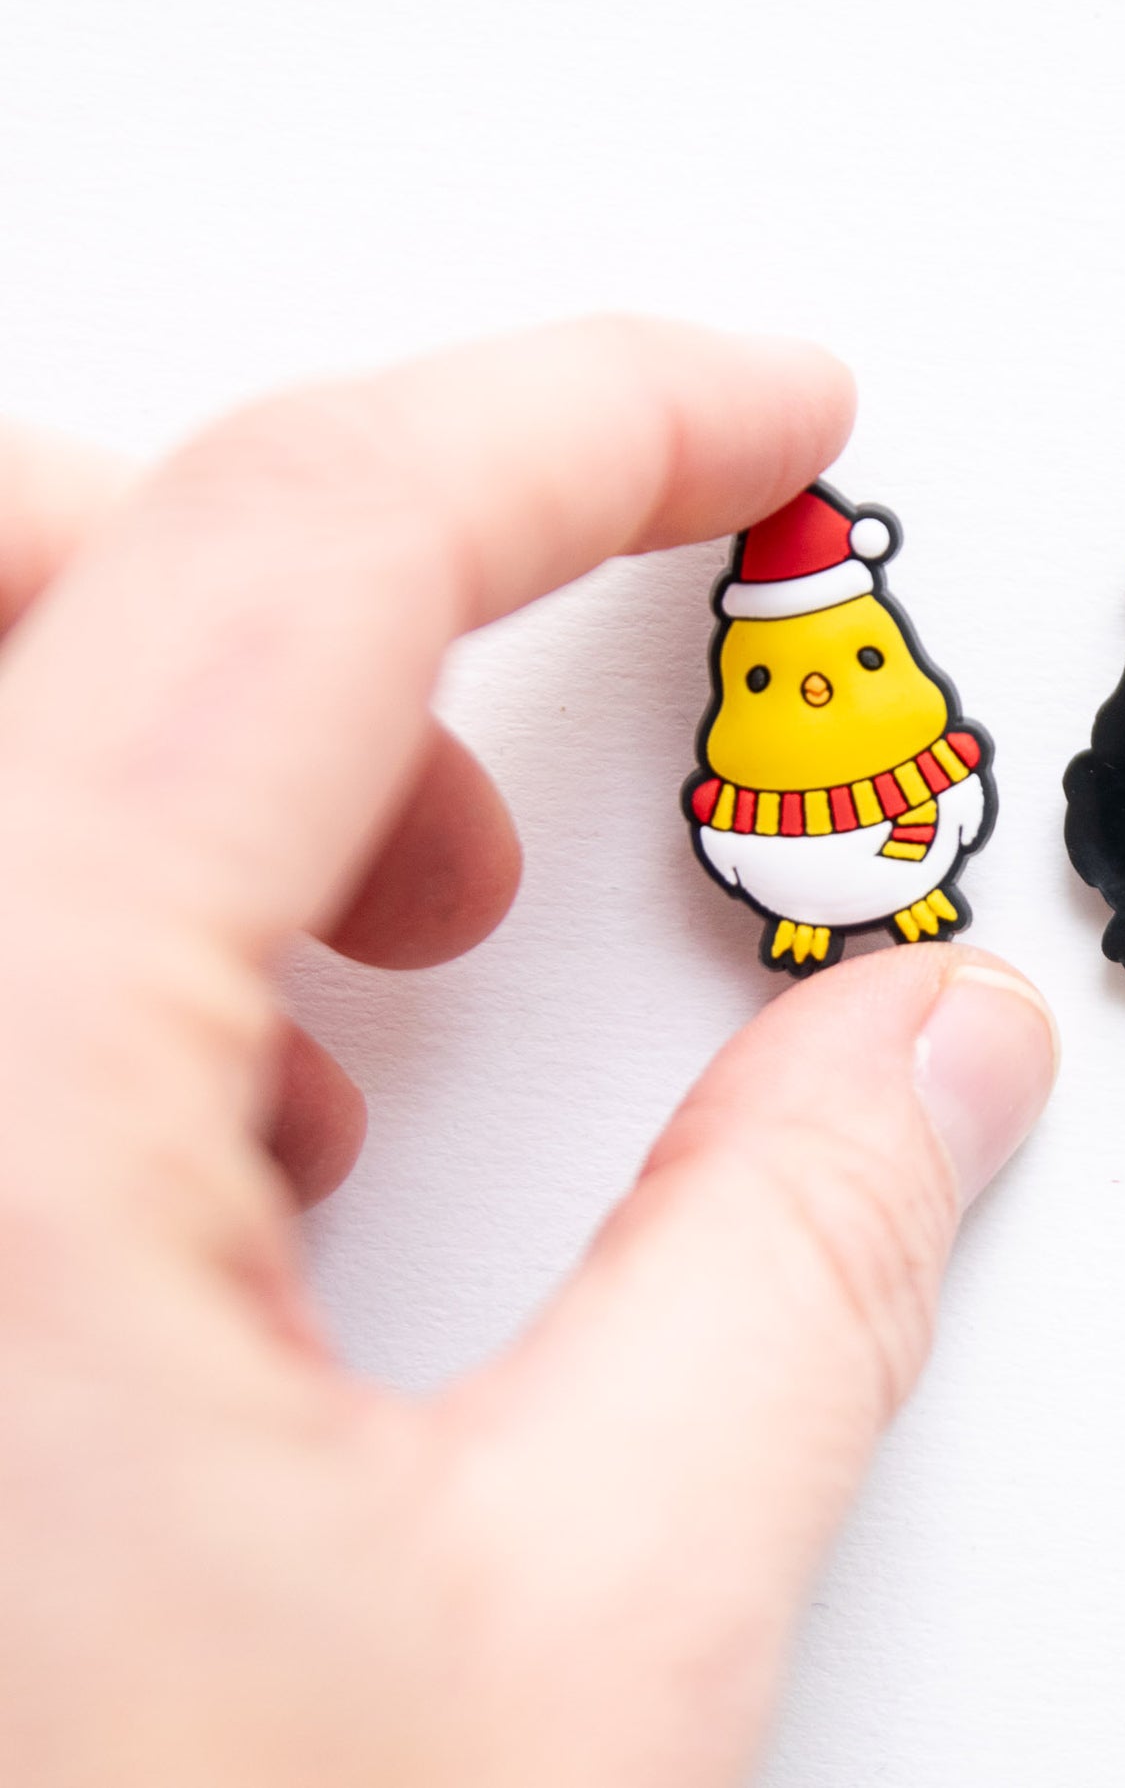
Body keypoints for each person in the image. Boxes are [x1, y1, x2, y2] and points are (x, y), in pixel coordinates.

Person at [0, 319, 1060, 1785]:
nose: (814, 693)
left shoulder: (898, 733)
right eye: (782, 682)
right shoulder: (745, 784)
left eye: (846, 667)